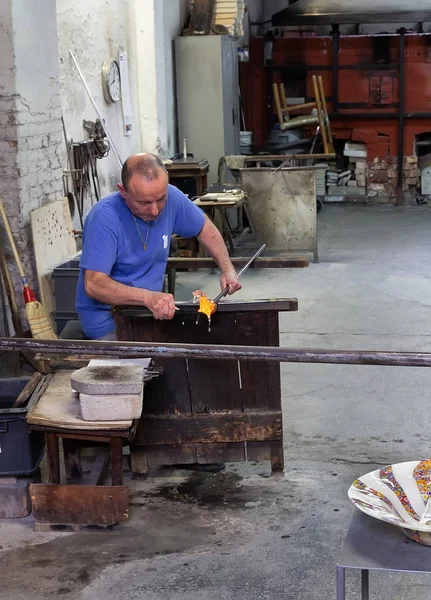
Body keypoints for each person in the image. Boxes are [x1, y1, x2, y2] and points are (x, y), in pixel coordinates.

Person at [76, 153, 242, 340]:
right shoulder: (104, 219)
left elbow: (205, 228)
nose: (155, 210)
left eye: (161, 199)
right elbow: (94, 284)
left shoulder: (172, 198)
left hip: (148, 314)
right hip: (109, 320)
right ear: (123, 191)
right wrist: (147, 298)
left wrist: (227, 269)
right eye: (144, 202)